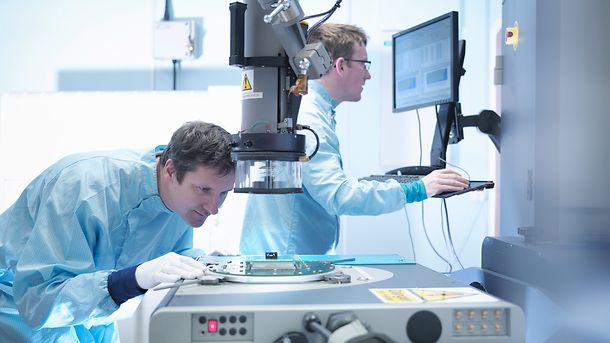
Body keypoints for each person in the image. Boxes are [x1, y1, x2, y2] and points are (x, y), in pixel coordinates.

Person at [240, 23, 469, 255]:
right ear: (340, 65)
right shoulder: (311, 119)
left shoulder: (312, 110)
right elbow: (339, 196)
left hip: (282, 254)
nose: (368, 75)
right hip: (284, 261)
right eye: (364, 65)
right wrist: (418, 189)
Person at [0, 121, 236, 342]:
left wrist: (200, 262)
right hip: (19, 308)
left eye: (223, 193)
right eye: (203, 189)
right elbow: (38, 299)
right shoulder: (84, 188)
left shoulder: (182, 201)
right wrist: (132, 279)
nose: (214, 208)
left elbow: (165, 252)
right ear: (171, 170)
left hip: (93, 314)